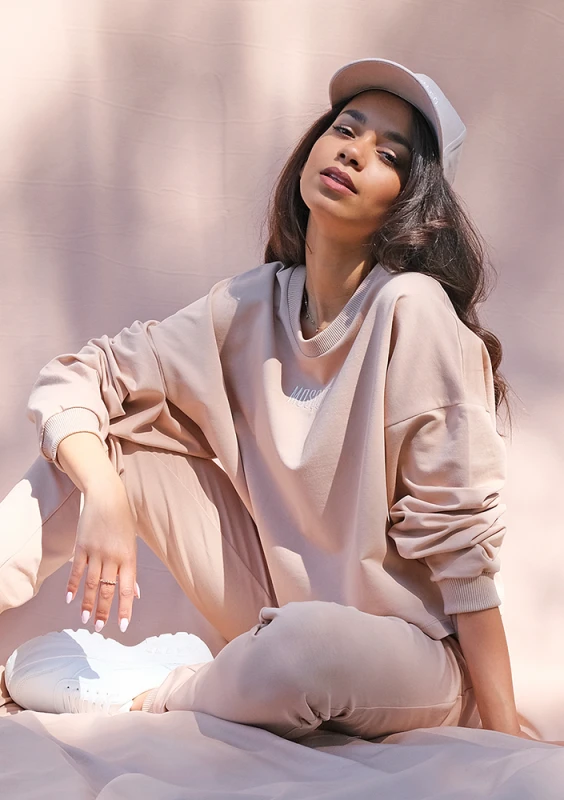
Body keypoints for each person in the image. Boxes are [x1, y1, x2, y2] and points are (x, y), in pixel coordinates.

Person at [0, 57, 533, 741]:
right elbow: (79, 377)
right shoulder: (251, 304)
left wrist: (504, 735)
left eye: (388, 155)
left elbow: (463, 560)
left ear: (410, 203)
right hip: (273, 611)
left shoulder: (412, 309)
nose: (353, 151)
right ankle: (233, 671)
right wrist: (104, 492)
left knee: (301, 646)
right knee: (97, 448)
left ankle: (154, 694)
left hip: (407, 659)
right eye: (346, 129)